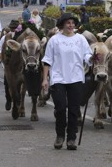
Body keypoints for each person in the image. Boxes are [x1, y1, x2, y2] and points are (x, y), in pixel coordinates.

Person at [41, 13, 93, 150]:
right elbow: (47, 60)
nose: (70, 25)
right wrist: (45, 79)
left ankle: (71, 138)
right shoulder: (54, 40)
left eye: (72, 23)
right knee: (60, 108)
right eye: (68, 23)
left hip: (76, 78)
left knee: (74, 110)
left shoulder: (80, 39)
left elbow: (87, 55)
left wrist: (93, 58)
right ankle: (59, 136)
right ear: (62, 24)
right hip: (58, 78)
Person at [0, 20, 19, 111]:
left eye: (15, 28)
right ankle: (8, 100)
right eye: (12, 28)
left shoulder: (21, 37)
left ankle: (18, 101)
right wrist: (3, 59)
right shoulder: (6, 37)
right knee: (7, 84)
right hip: (8, 65)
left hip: (19, 66)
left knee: (20, 84)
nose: (13, 29)